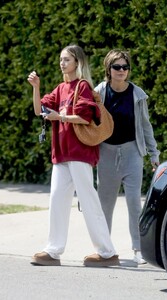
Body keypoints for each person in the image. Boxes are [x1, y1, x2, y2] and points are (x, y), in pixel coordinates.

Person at [27, 44, 119, 267]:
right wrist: (36, 87)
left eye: (66, 59)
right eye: (61, 59)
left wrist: (62, 117)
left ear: (77, 62)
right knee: (57, 200)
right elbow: (39, 110)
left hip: (79, 153)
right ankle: (53, 250)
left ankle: (107, 253)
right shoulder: (60, 89)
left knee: (88, 201)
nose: (62, 63)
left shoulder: (83, 86)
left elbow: (86, 117)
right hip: (61, 153)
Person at [94, 49, 160, 264]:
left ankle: (138, 250)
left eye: (125, 67)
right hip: (106, 153)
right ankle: (105, 250)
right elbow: (89, 124)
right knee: (105, 205)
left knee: (134, 203)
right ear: (109, 69)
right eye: (117, 67)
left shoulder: (137, 94)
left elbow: (145, 126)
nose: (121, 71)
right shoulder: (100, 92)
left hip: (132, 153)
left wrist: (153, 154)